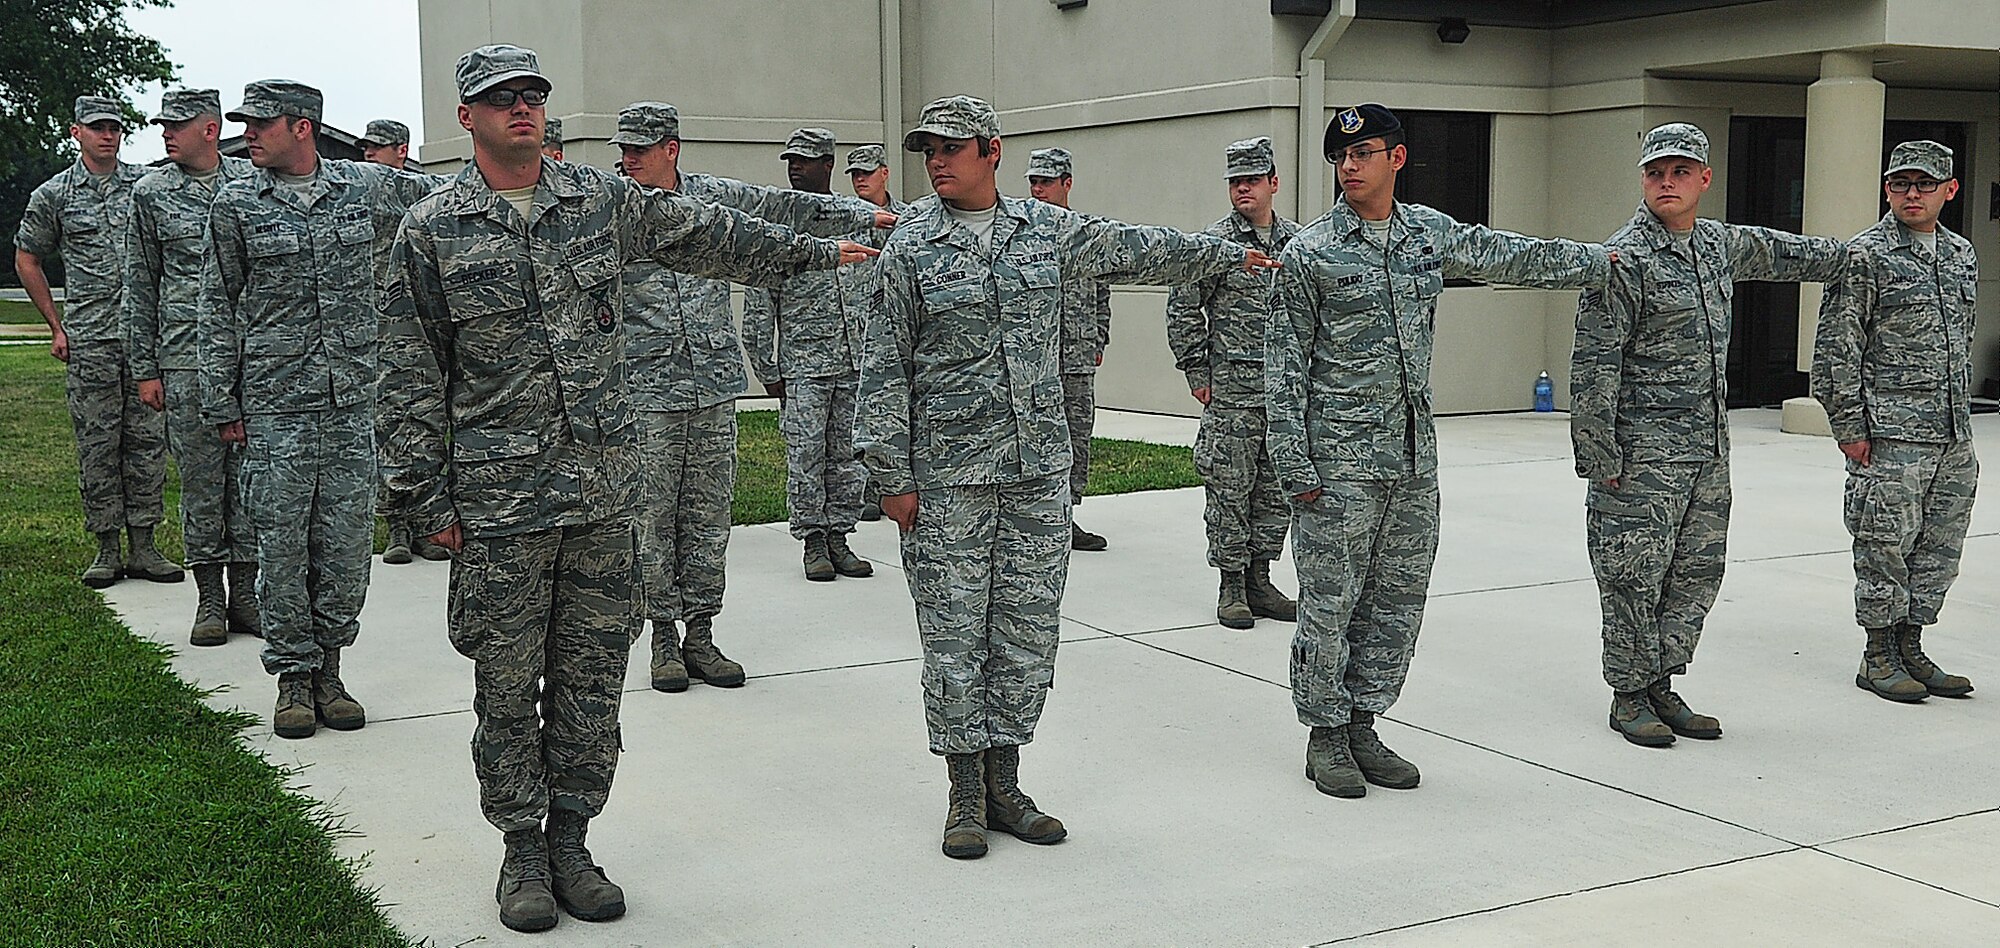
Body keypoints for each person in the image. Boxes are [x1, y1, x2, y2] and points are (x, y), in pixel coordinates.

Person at [378, 45, 878, 933]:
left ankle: (572, 841)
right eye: (502, 98)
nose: (522, 108)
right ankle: (521, 851)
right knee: (505, 685)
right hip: (501, 508)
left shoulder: (599, 202)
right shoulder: (431, 230)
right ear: (467, 117)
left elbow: (711, 234)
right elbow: (409, 371)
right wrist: (424, 500)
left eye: (533, 95)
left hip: (605, 497)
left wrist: (814, 255)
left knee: (593, 681)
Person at [858, 95, 1278, 860]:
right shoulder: (911, 243)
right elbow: (882, 363)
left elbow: (1141, 248)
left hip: (1036, 475)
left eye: (952, 147)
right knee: (954, 636)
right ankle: (963, 792)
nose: (938, 162)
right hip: (948, 478)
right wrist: (892, 474)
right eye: (929, 151)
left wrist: (1225, 255)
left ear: (992, 150)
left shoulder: (1045, 230)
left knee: (1025, 632)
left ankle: (1006, 784)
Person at [1268, 103, 1611, 799]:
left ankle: (1364, 722)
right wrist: (1295, 467)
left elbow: (1509, 255)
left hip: (1411, 461)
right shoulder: (1310, 253)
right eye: (1341, 157)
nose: (1349, 167)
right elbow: (1283, 366)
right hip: (1338, 463)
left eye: (1363, 154)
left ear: (1396, 158)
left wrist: (1600, 263)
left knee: (1396, 601)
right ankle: (1325, 734)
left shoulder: (1427, 234)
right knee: (1330, 604)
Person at [1571, 123, 1844, 747]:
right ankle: (1629, 694)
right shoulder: (1623, 260)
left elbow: (1793, 254)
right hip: (1641, 456)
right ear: (1643, 179)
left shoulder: (1719, 245)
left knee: (1696, 571)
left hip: (1708, 451)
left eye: (1680, 172)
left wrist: (1873, 252)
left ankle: (1663, 680)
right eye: (1655, 173)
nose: (1666, 182)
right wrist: (1599, 455)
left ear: (1704, 179)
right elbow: (1593, 364)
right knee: (1632, 573)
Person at [609, 102, 887, 693]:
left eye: (639, 149)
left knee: (708, 518)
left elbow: (787, 207)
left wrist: (862, 214)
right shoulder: (614, 210)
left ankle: (701, 634)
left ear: (671, 149)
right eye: (623, 149)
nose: (627, 159)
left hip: (712, 386)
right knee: (652, 519)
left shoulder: (713, 198)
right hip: (647, 393)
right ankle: (662, 639)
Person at [200, 79, 446, 741]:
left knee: (343, 547)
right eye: (246, 123)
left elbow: (445, 197)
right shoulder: (237, 203)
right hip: (275, 407)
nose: (248, 134)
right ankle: (292, 677)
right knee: (282, 547)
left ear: (302, 127)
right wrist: (221, 399)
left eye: (261, 123)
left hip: (350, 406)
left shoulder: (363, 188)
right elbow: (217, 305)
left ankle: (331, 671)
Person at [1812, 140, 1979, 704]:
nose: (1912, 194)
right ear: (1887, 189)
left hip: (1951, 433)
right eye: (1900, 183)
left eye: (1925, 184)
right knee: (1882, 542)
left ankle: (1912, 644)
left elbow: (1962, 339)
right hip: (1890, 434)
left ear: (1949, 190)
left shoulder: (1960, 254)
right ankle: (1878, 654)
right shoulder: (1865, 255)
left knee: (1939, 545)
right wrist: (1849, 427)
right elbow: (1836, 347)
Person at [15, 95, 179, 588]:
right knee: (98, 444)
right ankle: (106, 548)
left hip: (145, 338)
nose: (107, 136)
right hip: (91, 339)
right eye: (97, 127)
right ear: (77, 132)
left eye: (114, 128)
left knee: (147, 443)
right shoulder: (55, 195)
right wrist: (55, 324)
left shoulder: (146, 187)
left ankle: (145, 546)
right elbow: (28, 257)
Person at [124, 88, 258, 644]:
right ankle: (209, 598)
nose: (166, 134)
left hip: (249, 360)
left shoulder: (250, 183)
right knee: (202, 483)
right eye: (163, 125)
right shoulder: (151, 193)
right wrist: (145, 367)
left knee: (248, 481)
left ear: (210, 128)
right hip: (185, 360)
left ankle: (246, 594)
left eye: (177, 125)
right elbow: (140, 283)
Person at [1165, 136, 1300, 630]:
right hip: (1232, 395)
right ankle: (1231, 585)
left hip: (1283, 394)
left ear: (1273, 183)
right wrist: (1196, 371)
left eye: (1252, 180)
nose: (1243, 189)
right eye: (1235, 181)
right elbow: (1182, 307)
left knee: (1274, 490)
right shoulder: (1214, 245)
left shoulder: (1298, 244)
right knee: (1229, 488)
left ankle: (1260, 579)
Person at [744, 128, 874, 582]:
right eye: (791, 160)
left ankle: (840, 536)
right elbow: (759, 304)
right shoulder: (779, 228)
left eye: (805, 160)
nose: (795, 167)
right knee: (806, 456)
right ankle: (813, 540)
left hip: (854, 363)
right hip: (803, 368)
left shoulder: (856, 220)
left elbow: (878, 291)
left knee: (848, 457)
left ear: (829, 165)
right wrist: (768, 370)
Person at [357, 116, 451, 566]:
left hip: (421, 324)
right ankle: (396, 525)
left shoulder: (424, 193)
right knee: (387, 423)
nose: (369, 154)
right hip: (376, 328)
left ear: (401, 150)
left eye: (378, 147)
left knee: (427, 421)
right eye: (365, 147)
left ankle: (426, 523)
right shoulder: (361, 192)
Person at [1023, 147, 1113, 551]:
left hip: (1077, 358)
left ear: (1067, 183)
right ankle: (1035, 516)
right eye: (1033, 182)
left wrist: (1098, 338)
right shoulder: (1020, 235)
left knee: (1076, 438)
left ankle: (1066, 515)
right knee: (1036, 439)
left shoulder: (1086, 235)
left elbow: (1103, 291)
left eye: (1046, 182)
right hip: (1034, 362)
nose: (1038, 189)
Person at [845, 143, 908, 524]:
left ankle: (890, 486)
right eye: (855, 174)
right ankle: (864, 491)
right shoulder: (843, 221)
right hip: (852, 341)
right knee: (857, 418)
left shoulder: (908, 221)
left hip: (897, 338)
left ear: (885, 172)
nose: (860, 180)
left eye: (867, 172)